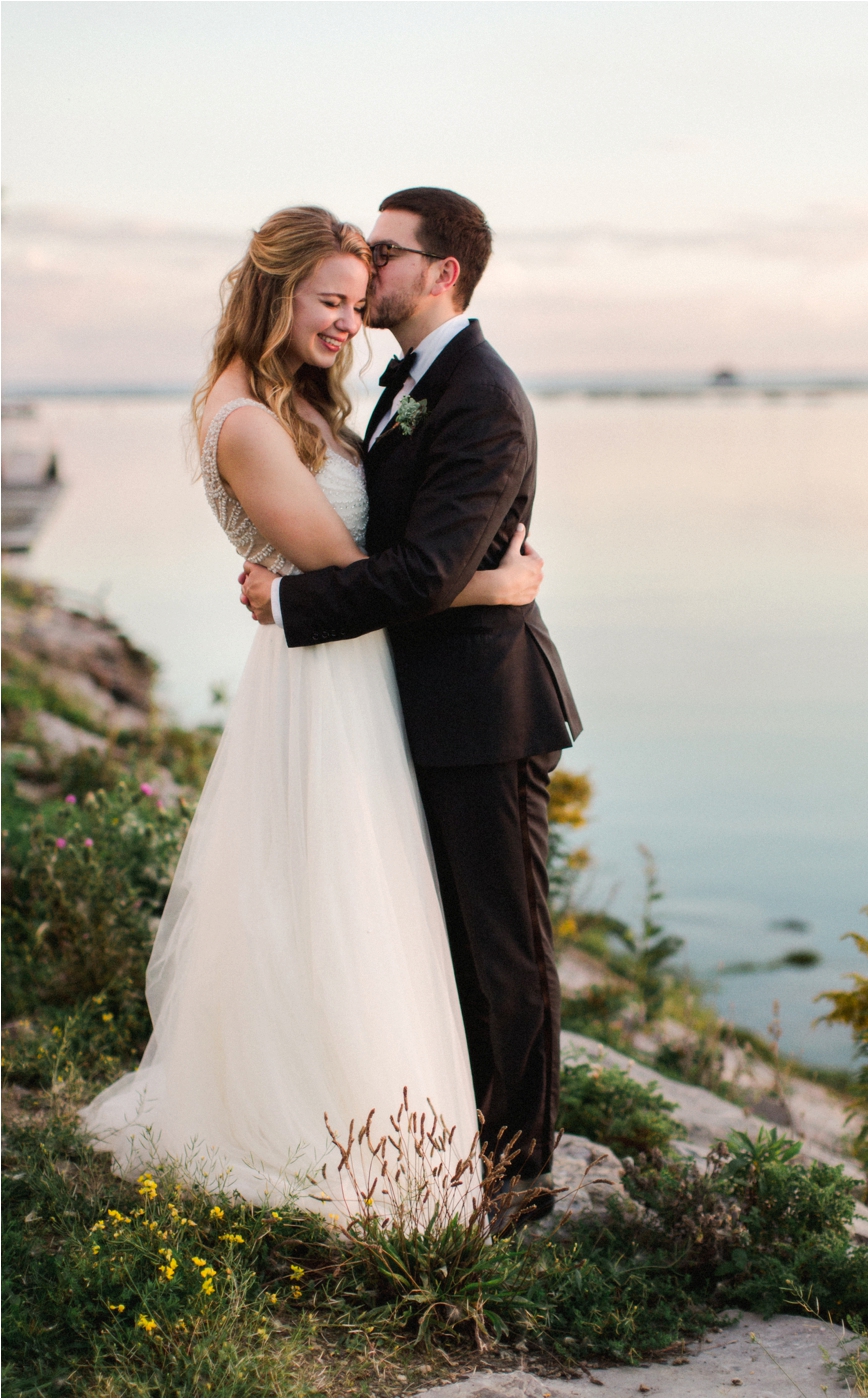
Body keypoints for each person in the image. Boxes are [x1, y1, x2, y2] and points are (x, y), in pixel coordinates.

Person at [80, 206, 539, 1212]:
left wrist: (300, 594)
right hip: (323, 678)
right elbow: (352, 569)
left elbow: (373, 559)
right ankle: (322, 1118)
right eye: (331, 297)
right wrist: (493, 587)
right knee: (333, 898)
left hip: (347, 668)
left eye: (360, 289)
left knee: (352, 897)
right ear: (274, 294)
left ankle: (435, 1124)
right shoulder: (246, 417)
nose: (353, 311)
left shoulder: (305, 397)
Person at [242, 188, 582, 1208]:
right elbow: (397, 551)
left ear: (444, 272)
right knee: (441, 940)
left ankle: (520, 1173)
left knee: (504, 947)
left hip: (485, 711)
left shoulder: (479, 393)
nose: (364, 262)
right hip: (415, 707)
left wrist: (293, 601)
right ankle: (454, 1141)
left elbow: (424, 571)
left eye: (384, 251)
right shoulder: (404, 383)